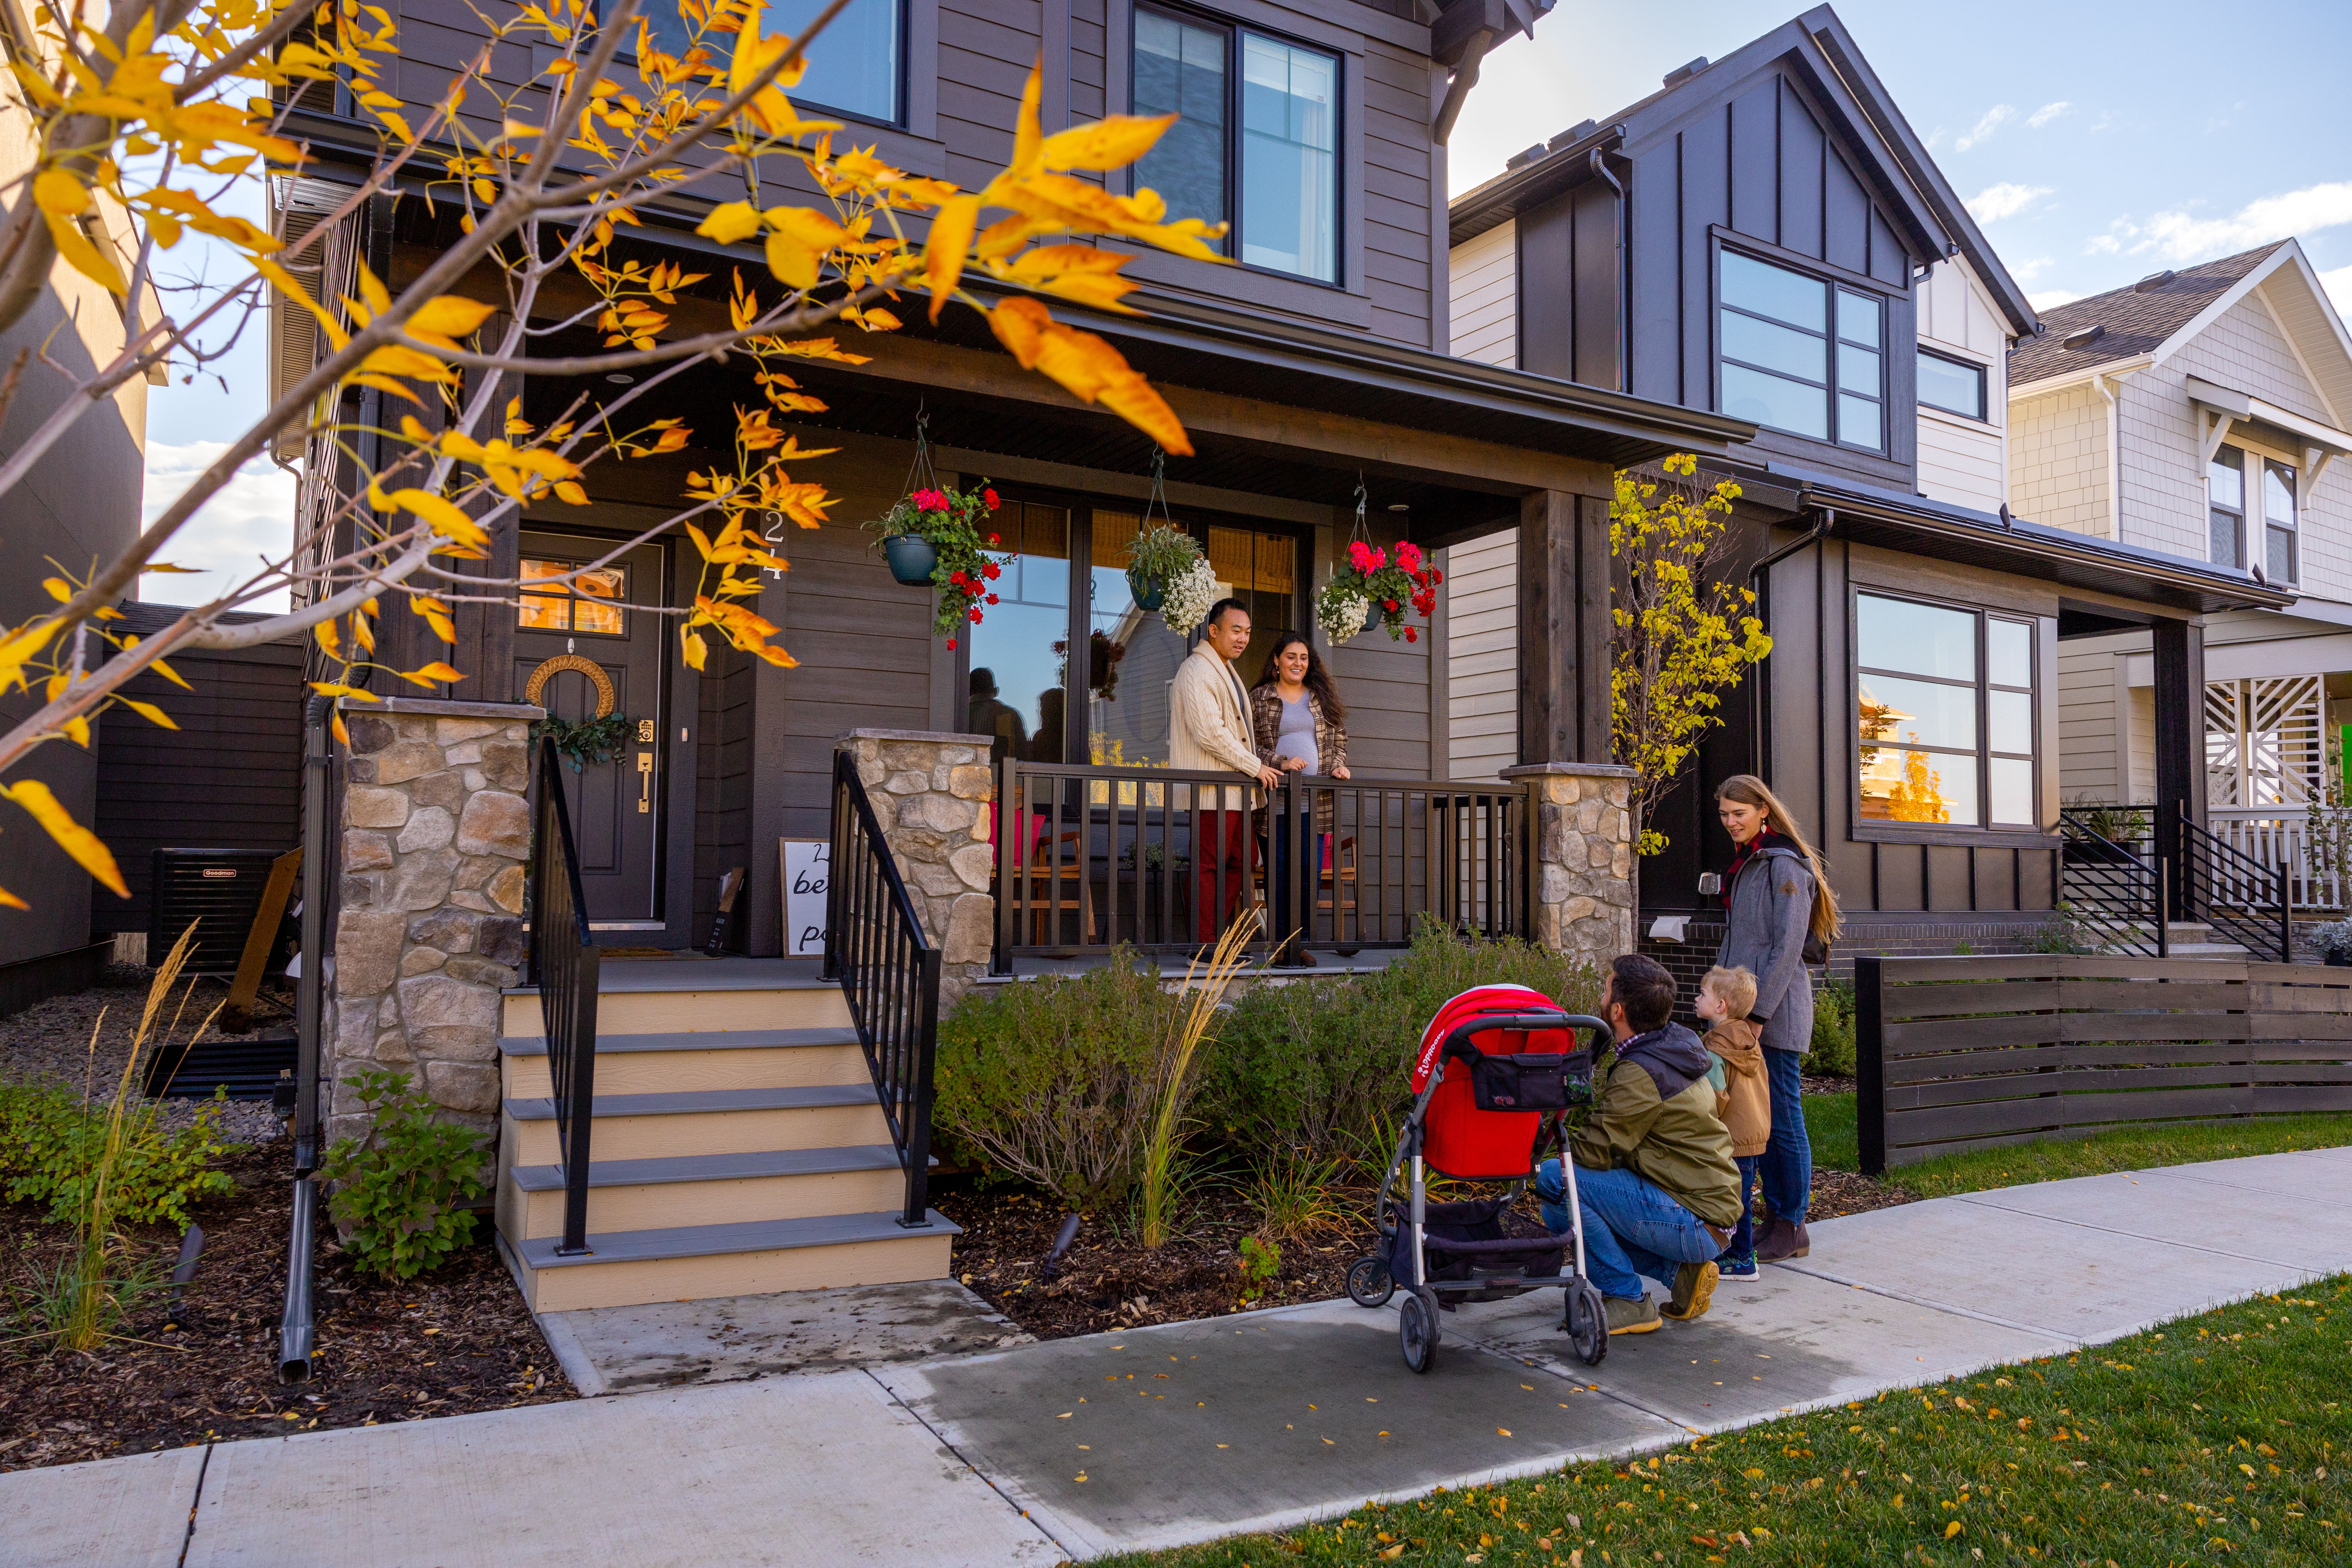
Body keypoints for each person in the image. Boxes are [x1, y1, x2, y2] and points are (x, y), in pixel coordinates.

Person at [1534, 953, 1742, 1336]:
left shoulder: (1641, 1072)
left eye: (1605, 986)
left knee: (1554, 1180)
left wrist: (1529, 1157)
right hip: (1709, 1212)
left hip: (1694, 1217)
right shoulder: (1675, 1044)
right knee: (1565, 1202)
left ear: (1616, 1010)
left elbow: (1594, 1151)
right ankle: (1679, 1274)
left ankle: (1628, 1300)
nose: (1599, 994)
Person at [1712, 773, 1841, 1264]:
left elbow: (1786, 948)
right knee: (1756, 1123)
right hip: (1744, 1015)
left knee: (1783, 1120)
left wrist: (1759, 1013)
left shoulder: (1784, 865)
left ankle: (1792, 1224)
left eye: (1738, 814)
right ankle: (1774, 1220)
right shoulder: (1750, 863)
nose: (1730, 822)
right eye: (1724, 814)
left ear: (1763, 810)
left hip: (1775, 1015)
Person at [1169, 599, 1281, 945]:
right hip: (1210, 788)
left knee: (1240, 859)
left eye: (1247, 632)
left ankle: (1216, 937)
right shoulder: (1196, 670)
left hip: (1234, 789)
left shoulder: (1226, 670)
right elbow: (1210, 733)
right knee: (1208, 864)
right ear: (1213, 631)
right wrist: (1255, 765)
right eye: (1236, 631)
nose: (1243, 639)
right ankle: (1203, 944)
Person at [1249, 631, 1350, 969]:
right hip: (1274, 802)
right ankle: (1280, 945)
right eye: (1291, 656)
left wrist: (1336, 766)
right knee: (1279, 874)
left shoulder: (1320, 698)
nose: (1298, 663)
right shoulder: (1260, 697)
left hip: (1315, 803)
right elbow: (1248, 746)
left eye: (1304, 658)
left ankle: (1301, 944)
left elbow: (1338, 739)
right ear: (1277, 661)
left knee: (1309, 872)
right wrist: (1281, 762)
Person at [1695, 965, 1769, 1282]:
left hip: (1729, 1137)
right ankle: (1742, 1254)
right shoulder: (1747, 1040)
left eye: (1703, 994)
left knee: (1730, 1201)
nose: (1697, 999)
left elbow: (1714, 1097)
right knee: (1742, 1197)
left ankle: (1738, 1259)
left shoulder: (1717, 1047)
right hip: (1751, 1134)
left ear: (1721, 1006)